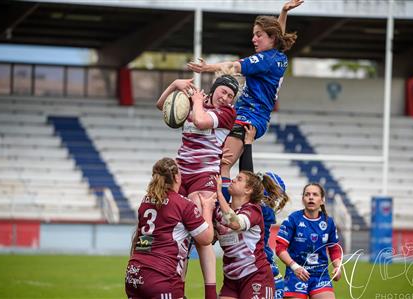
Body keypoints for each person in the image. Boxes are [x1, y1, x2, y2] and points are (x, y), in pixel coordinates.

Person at [188, 0, 304, 189]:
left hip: (248, 118)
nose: (254, 39)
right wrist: (283, 12)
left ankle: (222, 210)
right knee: (219, 162)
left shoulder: (264, 60)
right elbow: (277, 33)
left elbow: (233, 66)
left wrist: (207, 67)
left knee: (222, 166)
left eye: (258, 35)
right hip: (248, 114)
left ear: (271, 38)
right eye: (254, 35)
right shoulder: (278, 56)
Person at [156, 75, 239, 299]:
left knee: (202, 233)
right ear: (214, 89)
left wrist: (196, 101)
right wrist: (175, 85)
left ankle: (209, 293)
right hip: (180, 177)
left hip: (203, 176)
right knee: (180, 235)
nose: (226, 98)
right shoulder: (195, 104)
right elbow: (162, 106)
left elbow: (201, 121)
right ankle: (177, 290)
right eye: (223, 92)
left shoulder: (227, 113)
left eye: (231, 96)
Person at [124, 157, 215, 299]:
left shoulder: (146, 201)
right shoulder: (182, 204)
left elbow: (144, 240)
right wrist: (208, 209)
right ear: (176, 177)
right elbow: (206, 238)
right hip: (161, 277)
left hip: (134, 274)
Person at [223, 124, 290, 299]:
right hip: (247, 271)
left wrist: (248, 143)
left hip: (261, 272)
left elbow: (246, 173)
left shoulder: (261, 210)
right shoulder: (261, 208)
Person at [213, 168, 286, 299]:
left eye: (239, 179)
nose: (233, 179)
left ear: (248, 190)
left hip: (256, 276)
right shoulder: (220, 211)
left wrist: (219, 193)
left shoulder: (253, 210)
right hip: (231, 278)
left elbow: (235, 223)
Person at [275, 183, 342, 299]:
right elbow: (280, 248)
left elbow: (334, 248)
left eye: (315, 194)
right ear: (303, 199)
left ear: (322, 200)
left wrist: (338, 267)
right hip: (296, 274)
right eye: (307, 195)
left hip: (321, 275)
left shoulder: (329, 222)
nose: (311, 197)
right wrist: (295, 267)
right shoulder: (292, 219)